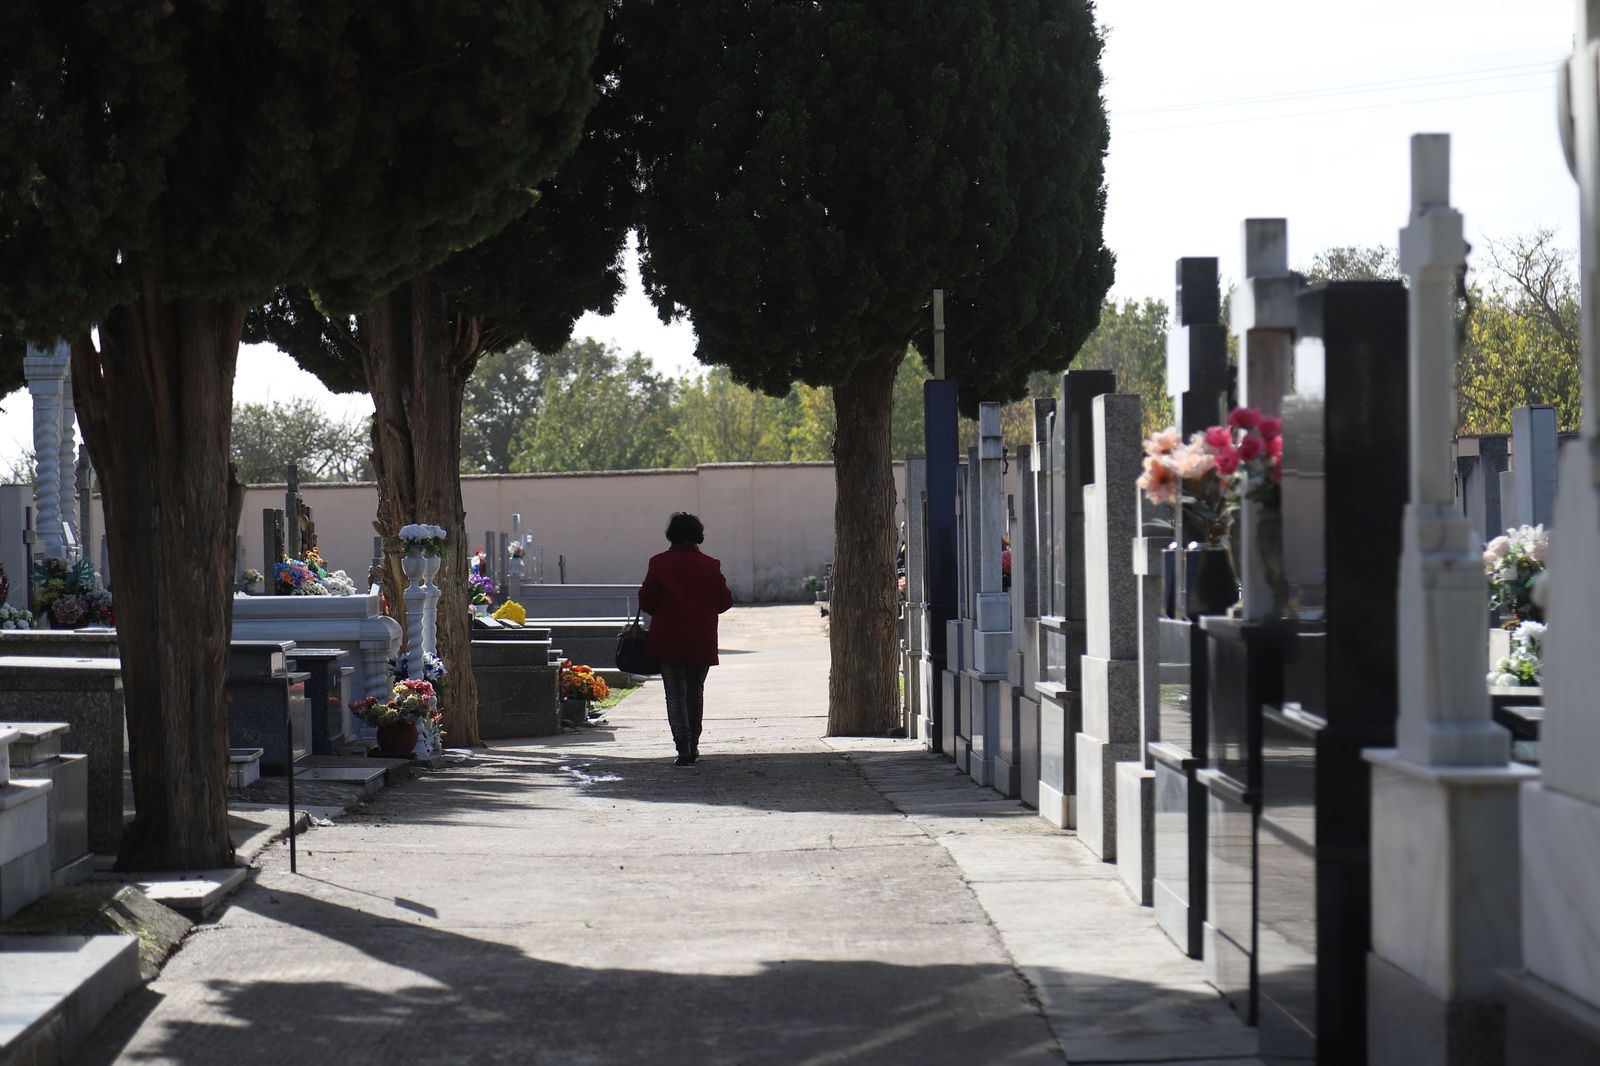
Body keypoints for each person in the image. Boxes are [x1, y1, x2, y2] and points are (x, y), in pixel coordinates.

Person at [638, 512, 734, 766]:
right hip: (700, 637)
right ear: (697, 535)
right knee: (695, 691)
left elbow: (647, 602)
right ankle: (694, 744)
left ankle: (682, 745)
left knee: (674, 693)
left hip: (668, 639)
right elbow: (725, 601)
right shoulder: (711, 565)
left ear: (671, 535)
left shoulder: (658, 563)